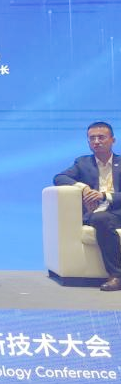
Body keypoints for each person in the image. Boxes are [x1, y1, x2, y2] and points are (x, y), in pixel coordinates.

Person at [53, 121, 121, 291]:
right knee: (100, 218)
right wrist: (83, 188)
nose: (96, 141)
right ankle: (116, 276)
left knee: (101, 218)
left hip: (119, 211)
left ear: (113, 140)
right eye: (92, 138)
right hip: (97, 214)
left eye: (101, 137)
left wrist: (104, 196)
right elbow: (59, 178)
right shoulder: (83, 163)